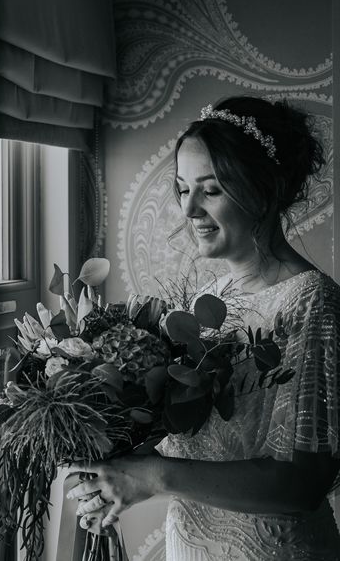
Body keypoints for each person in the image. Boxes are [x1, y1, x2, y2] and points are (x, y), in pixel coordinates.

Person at [65, 96, 340, 559]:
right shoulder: (203, 304)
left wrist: (154, 474)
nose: (189, 209)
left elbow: (300, 484)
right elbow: (201, 454)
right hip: (191, 544)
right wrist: (120, 473)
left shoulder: (311, 303)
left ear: (264, 190)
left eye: (210, 190)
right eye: (182, 188)